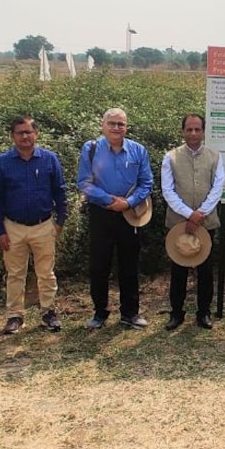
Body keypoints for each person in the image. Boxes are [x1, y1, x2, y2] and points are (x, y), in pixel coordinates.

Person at [0, 116, 69, 335]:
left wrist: (60, 222)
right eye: (19, 132)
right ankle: (15, 316)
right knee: (15, 274)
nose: (24, 136)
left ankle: (48, 312)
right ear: (13, 136)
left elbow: (60, 192)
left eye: (28, 132)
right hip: (12, 226)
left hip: (43, 225)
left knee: (46, 273)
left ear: (36, 134)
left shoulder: (49, 159)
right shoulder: (3, 162)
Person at [77, 107, 154, 329]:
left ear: (126, 127)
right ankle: (100, 313)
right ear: (103, 125)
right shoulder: (90, 149)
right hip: (101, 213)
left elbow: (146, 183)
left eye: (121, 124)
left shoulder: (138, 151)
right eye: (112, 123)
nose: (116, 128)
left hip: (131, 214)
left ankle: (130, 314)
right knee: (99, 265)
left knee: (129, 265)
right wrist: (109, 201)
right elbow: (83, 182)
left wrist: (128, 203)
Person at [162, 113, 225, 330]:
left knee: (205, 272)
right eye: (189, 129)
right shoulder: (170, 157)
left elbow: (217, 188)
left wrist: (201, 213)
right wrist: (189, 214)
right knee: (178, 271)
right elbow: (167, 190)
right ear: (182, 131)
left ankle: (203, 313)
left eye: (198, 129)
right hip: (178, 224)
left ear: (204, 131)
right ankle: (176, 313)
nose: (193, 133)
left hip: (206, 224)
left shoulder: (215, 157)